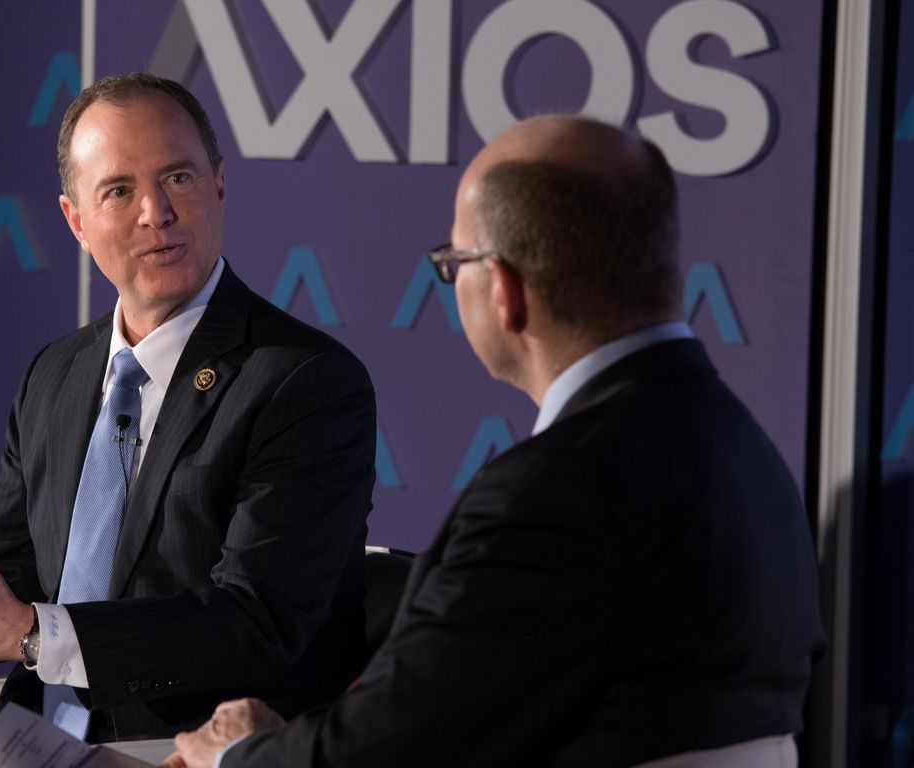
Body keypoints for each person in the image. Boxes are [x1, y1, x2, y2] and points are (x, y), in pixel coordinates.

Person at [162, 115, 826, 767]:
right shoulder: (744, 449)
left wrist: (240, 754)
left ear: (504, 289)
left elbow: (403, 744)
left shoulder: (556, 490)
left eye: (454, 263)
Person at [0, 73, 376, 765]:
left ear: (220, 185)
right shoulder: (58, 373)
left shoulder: (303, 380)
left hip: (186, 742)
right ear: (75, 220)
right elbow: (2, 582)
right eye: (119, 191)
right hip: (40, 726)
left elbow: (256, 623)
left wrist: (28, 634)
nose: (156, 212)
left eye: (178, 177)